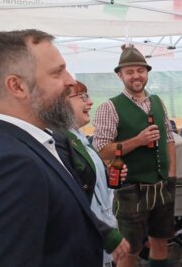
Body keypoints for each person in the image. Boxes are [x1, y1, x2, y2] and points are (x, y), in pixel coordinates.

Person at [0, 29, 103, 266]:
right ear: (17, 87)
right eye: (57, 72)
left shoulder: (40, 140)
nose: (70, 81)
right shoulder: (12, 165)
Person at [93, 45, 176, 267]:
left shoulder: (157, 102)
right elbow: (101, 149)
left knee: (160, 241)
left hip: (161, 185)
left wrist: (172, 175)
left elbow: (168, 139)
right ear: (120, 75)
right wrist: (137, 141)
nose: (136, 76)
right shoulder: (109, 107)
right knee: (130, 250)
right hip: (131, 189)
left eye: (140, 70)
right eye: (129, 71)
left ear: (147, 73)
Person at [57, 81, 131, 266]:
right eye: (82, 97)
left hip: (101, 235)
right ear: (60, 102)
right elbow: (70, 202)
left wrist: (108, 176)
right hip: (90, 240)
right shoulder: (59, 143)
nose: (90, 102)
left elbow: (89, 181)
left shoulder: (78, 137)